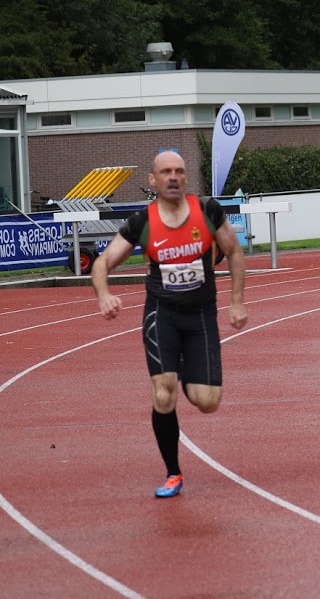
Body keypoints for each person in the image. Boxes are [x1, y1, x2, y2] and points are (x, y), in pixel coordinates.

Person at [90, 149, 247, 497]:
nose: (173, 177)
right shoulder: (142, 222)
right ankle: (173, 473)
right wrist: (104, 295)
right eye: (165, 172)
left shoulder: (207, 211)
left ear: (185, 177)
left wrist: (236, 302)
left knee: (207, 401)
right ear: (153, 180)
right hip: (162, 315)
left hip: (201, 315)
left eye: (178, 171)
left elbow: (235, 252)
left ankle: (187, 373)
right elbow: (102, 262)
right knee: (163, 393)